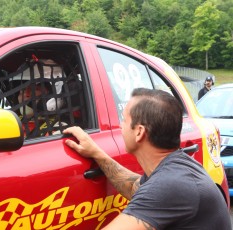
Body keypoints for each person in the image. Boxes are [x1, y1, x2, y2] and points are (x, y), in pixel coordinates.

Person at [63, 88, 231, 230]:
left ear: (139, 132)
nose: (120, 126)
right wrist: (97, 153)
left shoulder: (172, 185)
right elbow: (134, 187)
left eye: (124, 119)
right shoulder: (177, 168)